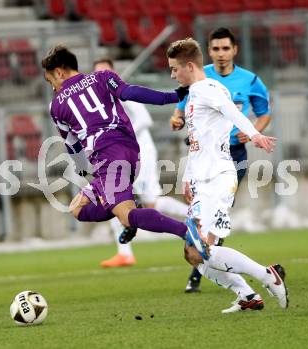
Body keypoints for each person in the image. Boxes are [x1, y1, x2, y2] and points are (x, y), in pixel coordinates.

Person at [166, 37, 288, 312]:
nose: (173, 74)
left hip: (218, 178)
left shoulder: (209, 88)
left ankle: (267, 275)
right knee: (193, 252)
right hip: (202, 179)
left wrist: (255, 134)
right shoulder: (194, 93)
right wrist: (188, 176)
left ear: (188, 66)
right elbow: (197, 142)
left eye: (174, 69)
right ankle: (247, 295)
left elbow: (231, 111)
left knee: (204, 249)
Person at [41, 44, 191, 250]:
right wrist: (173, 96)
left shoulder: (57, 105)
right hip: (130, 151)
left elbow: (72, 145)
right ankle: (130, 209)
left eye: (51, 81)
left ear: (59, 72)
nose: (53, 88)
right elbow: (130, 92)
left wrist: (83, 170)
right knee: (77, 208)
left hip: (108, 158)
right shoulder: (102, 77)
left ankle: (186, 231)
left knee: (127, 216)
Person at [93, 58, 188, 268]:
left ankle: (195, 217)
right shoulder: (101, 98)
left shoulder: (121, 90)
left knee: (150, 202)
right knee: (115, 199)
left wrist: (122, 135)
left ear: (113, 71)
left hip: (140, 152)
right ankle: (124, 253)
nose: (100, 75)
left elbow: (145, 120)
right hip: (122, 153)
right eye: (97, 71)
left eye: (104, 70)